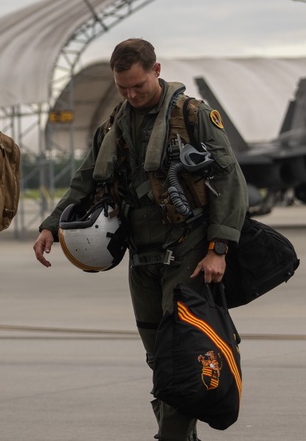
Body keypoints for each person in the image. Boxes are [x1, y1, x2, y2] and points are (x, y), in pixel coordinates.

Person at [31, 38, 247, 441]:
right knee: (158, 359)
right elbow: (85, 178)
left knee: (182, 354)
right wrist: (51, 224)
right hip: (141, 256)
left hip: (187, 250)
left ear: (156, 71)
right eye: (123, 88)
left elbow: (230, 178)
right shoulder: (115, 123)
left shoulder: (194, 115)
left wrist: (219, 248)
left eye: (138, 86)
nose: (131, 94)